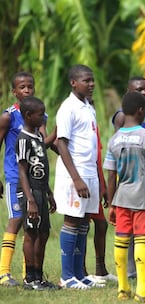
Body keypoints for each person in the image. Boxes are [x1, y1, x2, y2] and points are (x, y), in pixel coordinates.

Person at [104, 91, 145, 302]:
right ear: (142, 111)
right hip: (142, 198)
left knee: (121, 239)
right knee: (141, 239)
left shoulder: (114, 139)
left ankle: (123, 288)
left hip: (121, 198)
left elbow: (111, 175)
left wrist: (112, 204)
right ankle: (142, 289)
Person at [0, 72, 54, 287]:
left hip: (36, 181)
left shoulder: (40, 115)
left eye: (30, 86)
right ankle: (4, 273)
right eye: (22, 87)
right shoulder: (8, 116)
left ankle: (29, 274)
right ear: (14, 91)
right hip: (16, 177)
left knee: (34, 227)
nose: (27, 90)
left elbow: (42, 142)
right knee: (16, 221)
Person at [54, 64, 103, 289]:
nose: (91, 84)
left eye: (92, 80)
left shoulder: (88, 107)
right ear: (73, 83)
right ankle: (66, 276)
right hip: (76, 174)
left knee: (84, 221)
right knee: (73, 220)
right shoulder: (68, 108)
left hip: (89, 171)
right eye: (86, 80)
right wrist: (76, 178)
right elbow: (60, 143)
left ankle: (79, 273)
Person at [112, 76, 145, 282]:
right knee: (128, 230)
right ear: (128, 92)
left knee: (144, 227)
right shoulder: (122, 116)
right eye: (139, 89)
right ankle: (130, 270)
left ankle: (140, 269)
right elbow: (118, 148)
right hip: (130, 182)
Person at [15, 96, 58, 290]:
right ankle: (29, 279)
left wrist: (48, 193)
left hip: (41, 191)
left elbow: (41, 167)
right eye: (41, 115)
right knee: (31, 233)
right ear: (28, 115)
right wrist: (30, 200)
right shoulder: (23, 139)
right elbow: (23, 172)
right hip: (29, 192)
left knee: (44, 233)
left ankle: (39, 277)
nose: (43, 117)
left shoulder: (38, 137)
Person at [82, 96, 117, 283]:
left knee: (101, 224)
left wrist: (103, 186)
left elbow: (97, 160)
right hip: (83, 179)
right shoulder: (82, 128)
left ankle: (100, 269)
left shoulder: (94, 128)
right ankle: (81, 270)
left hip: (95, 180)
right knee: (83, 225)